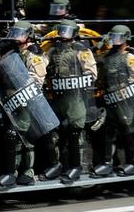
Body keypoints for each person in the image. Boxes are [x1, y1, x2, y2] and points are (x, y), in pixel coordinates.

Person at [0, 21, 48, 188]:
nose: (16, 37)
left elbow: (36, 82)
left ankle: (25, 173)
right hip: (13, 102)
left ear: (28, 35)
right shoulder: (13, 52)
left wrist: (19, 91)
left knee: (21, 136)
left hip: (28, 102)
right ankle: (15, 172)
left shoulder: (34, 55)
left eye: (19, 34)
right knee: (16, 137)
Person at [42, 19, 98, 184]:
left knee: (74, 132)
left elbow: (92, 73)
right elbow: (43, 68)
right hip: (57, 96)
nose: (63, 34)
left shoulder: (81, 50)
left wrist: (77, 81)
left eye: (67, 31)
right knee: (53, 132)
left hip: (75, 97)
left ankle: (75, 167)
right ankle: (56, 165)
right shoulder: (53, 50)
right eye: (62, 30)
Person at [92, 25, 134, 177]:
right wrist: (99, 45)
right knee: (108, 132)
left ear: (126, 38)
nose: (115, 41)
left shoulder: (131, 57)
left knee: (128, 131)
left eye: (119, 38)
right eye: (113, 37)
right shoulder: (108, 56)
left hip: (127, 101)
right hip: (110, 100)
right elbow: (97, 67)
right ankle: (107, 163)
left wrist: (122, 88)